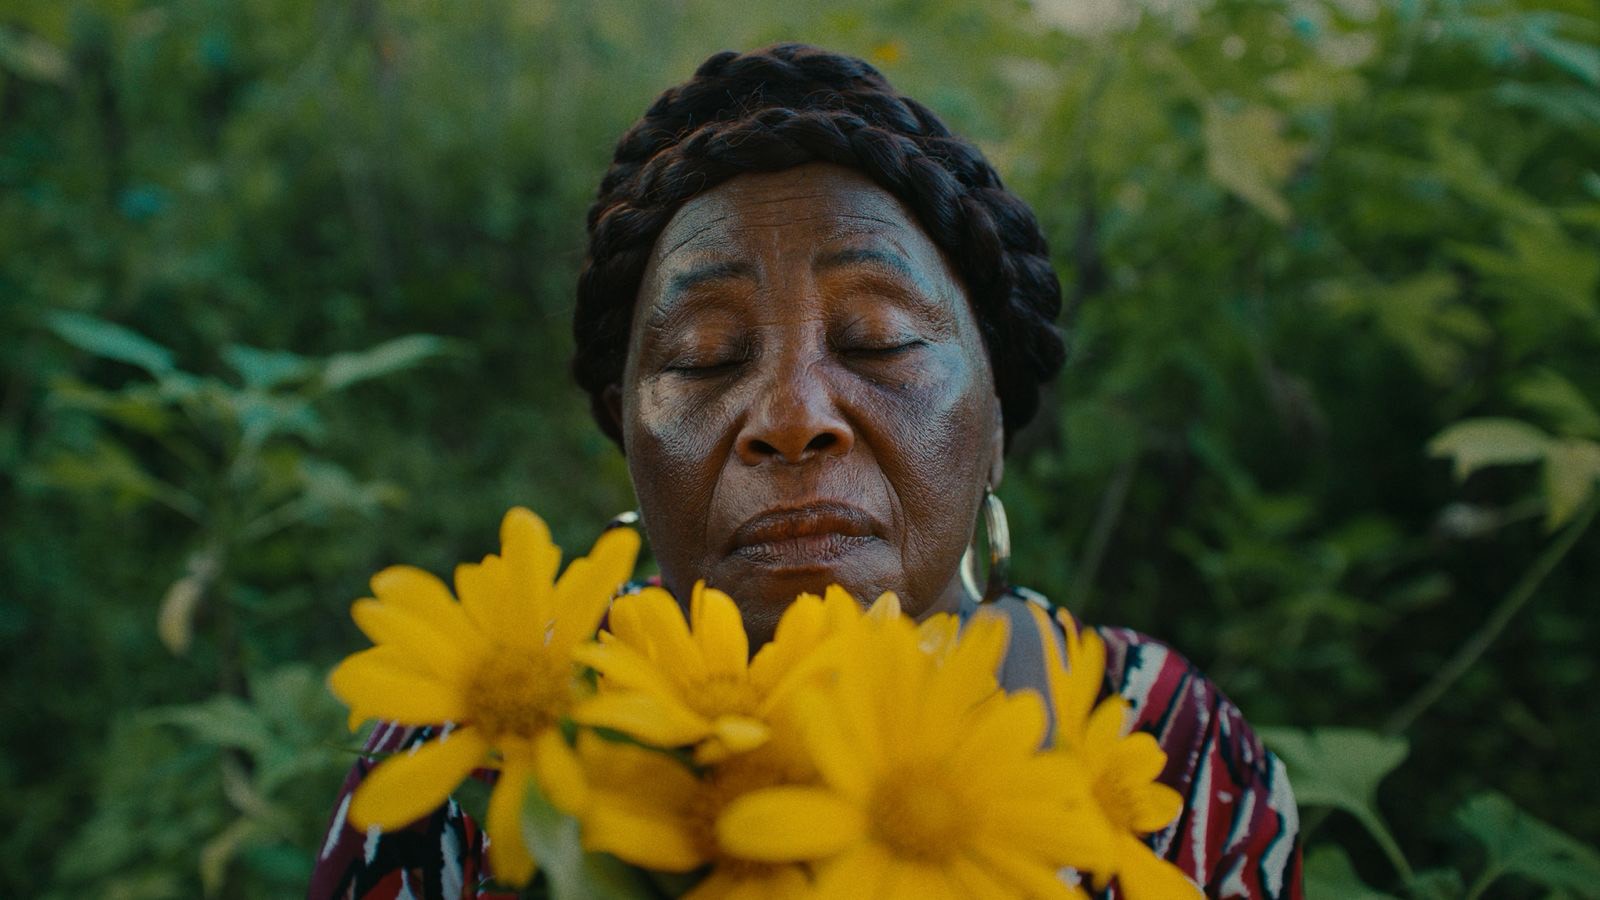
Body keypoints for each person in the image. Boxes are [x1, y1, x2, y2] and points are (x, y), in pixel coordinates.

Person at [310, 43, 1303, 899]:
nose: (792, 419)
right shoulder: (465, 760)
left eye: (875, 341)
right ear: (626, 434)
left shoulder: (1170, 746)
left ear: (996, 416)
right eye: (703, 356)